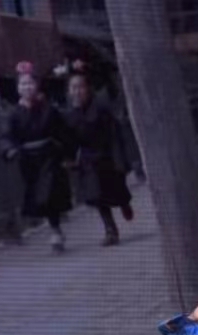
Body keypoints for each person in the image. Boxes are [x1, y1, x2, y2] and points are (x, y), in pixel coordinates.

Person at [0, 60, 73, 253]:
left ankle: (55, 231)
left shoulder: (49, 108)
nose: (27, 87)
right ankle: (53, 227)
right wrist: (9, 149)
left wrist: (67, 153)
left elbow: (63, 131)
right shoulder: (13, 114)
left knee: (50, 193)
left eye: (30, 83)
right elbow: (6, 136)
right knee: (38, 196)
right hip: (28, 159)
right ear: (18, 88)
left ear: (37, 85)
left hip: (49, 155)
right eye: (23, 84)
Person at [62, 69, 134, 247]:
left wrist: (120, 159)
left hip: (107, 155)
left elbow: (113, 134)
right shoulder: (70, 115)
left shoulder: (100, 108)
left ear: (88, 88)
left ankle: (125, 203)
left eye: (81, 87)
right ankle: (110, 230)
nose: (77, 91)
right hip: (88, 159)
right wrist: (70, 158)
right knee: (98, 195)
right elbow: (69, 140)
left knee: (117, 189)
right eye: (73, 88)